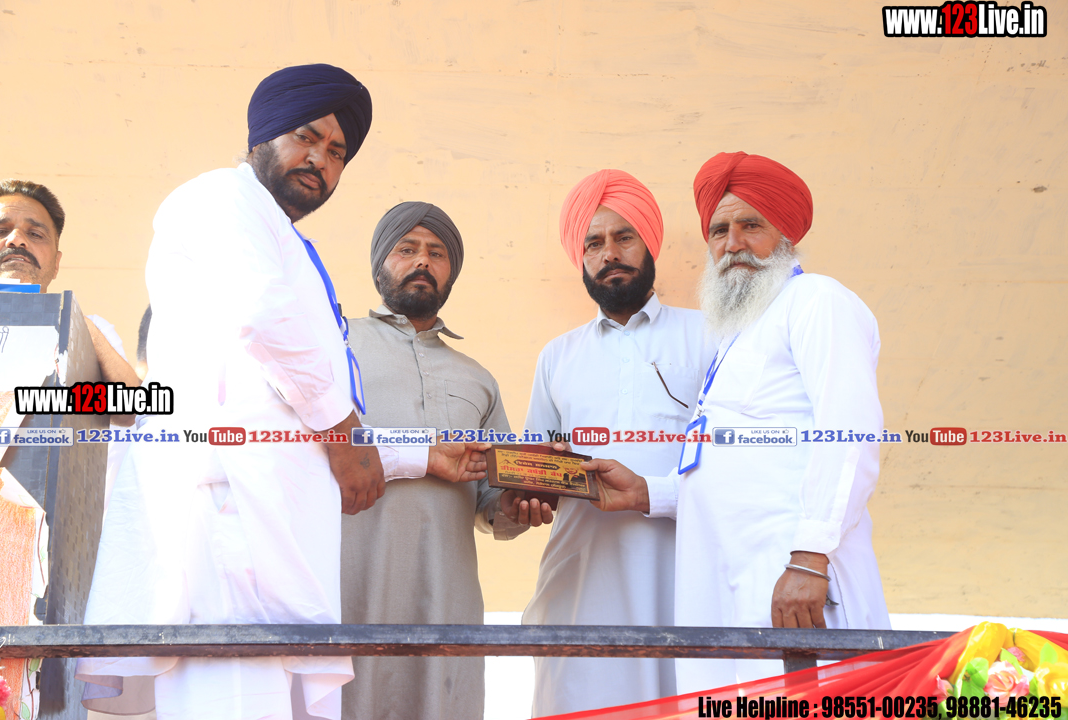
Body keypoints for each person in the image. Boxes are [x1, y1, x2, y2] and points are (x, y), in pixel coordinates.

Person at [76, 64, 485, 720]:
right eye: (307, 137)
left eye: (337, 152)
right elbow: (264, 319)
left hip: (273, 531)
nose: (320, 160)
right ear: (262, 136)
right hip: (232, 521)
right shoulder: (219, 197)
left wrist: (420, 455)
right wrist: (346, 438)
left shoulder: (280, 237)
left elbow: (288, 411)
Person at [586, 152, 890, 694]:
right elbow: (733, 463)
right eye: (719, 231)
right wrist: (647, 493)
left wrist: (810, 559)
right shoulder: (735, 335)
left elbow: (851, 435)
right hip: (723, 588)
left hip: (791, 578)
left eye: (751, 226)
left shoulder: (815, 300)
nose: (733, 244)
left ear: (785, 235)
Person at [340, 201, 548, 720]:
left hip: (446, 601)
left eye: (437, 253)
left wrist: (520, 503)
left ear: (452, 271)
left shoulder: (477, 379)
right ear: (379, 262)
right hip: (347, 589)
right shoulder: (334, 345)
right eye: (407, 249)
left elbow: (492, 503)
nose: (422, 261)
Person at [521, 170, 712, 716]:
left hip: (683, 576)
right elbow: (536, 464)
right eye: (593, 243)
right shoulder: (558, 356)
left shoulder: (709, 335)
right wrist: (525, 493)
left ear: (649, 244)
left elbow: (736, 466)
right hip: (583, 579)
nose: (609, 253)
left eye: (624, 237)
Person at [0, 180, 140, 406]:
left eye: (35, 234)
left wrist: (82, 330)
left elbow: (131, 412)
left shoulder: (92, 330)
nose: (16, 239)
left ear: (56, 265)